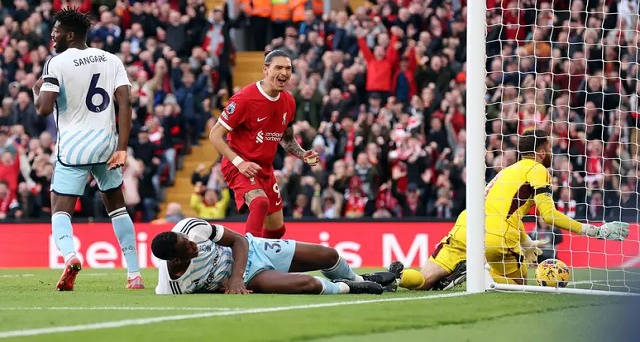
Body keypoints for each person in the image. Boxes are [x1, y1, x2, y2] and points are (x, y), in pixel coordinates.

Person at [391, 129, 630, 290]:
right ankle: (478, 275)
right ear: (542, 151)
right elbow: (547, 215)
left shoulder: (504, 172)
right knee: (517, 286)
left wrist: (525, 241)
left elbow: (504, 208)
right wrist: (593, 231)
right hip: (498, 236)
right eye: (550, 148)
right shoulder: (538, 170)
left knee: (423, 280)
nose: (552, 153)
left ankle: (395, 276)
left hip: (466, 227)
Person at [33, 8, 144, 291]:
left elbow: (44, 108)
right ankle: (134, 275)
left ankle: (71, 256)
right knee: (117, 208)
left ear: (70, 35)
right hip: (107, 144)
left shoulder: (56, 63)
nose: (52, 36)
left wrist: (37, 91)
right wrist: (122, 147)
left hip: (74, 146)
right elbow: (125, 103)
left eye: (56, 32)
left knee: (60, 209)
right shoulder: (111, 59)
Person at [209, 50, 319, 239]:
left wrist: (302, 154)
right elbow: (215, 135)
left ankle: (265, 262)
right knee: (260, 203)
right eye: (278, 67)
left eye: (288, 68)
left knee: (277, 230)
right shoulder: (245, 99)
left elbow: (286, 138)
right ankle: (250, 259)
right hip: (239, 165)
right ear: (265, 70)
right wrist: (239, 163)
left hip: (264, 168)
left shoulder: (289, 101)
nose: (284, 73)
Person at [151, 217, 397, 295]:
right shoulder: (174, 287)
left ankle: (358, 277)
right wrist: (234, 282)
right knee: (308, 284)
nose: (193, 244)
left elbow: (238, 240)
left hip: (251, 250)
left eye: (189, 240)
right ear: (177, 261)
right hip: (252, 277)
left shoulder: (190, 227)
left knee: (327, 254)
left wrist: (234, 278)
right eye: (188, 248)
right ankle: (350, 288)